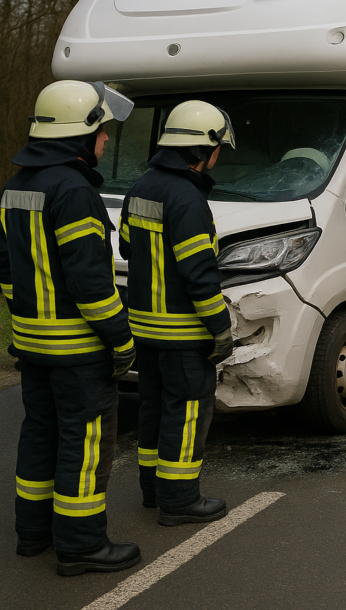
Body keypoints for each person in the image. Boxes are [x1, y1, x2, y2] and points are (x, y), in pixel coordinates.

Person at [1, 80, 140, 575]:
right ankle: (81, 546)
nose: (105, 139)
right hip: (79, 351)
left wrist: (28, 319)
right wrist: (121, 340)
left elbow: (6, 268)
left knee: (40, 434)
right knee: (84, 444)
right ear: (78, 133)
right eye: (101, 131)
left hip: (32, 345)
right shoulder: (75, 190)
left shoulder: (15, 186)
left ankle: (33, 534)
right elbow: (91, 284)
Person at [119, 100, 235, 526]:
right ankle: (180, 500)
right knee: (185, 414)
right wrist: (220, 328)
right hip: (183, 334)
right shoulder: (188, 199)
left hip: (144, 330)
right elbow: (200, 276)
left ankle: (153, 491)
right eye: (219, 147)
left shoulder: (140, 188)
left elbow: (127, 247)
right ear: (205, 149)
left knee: (152, 409)